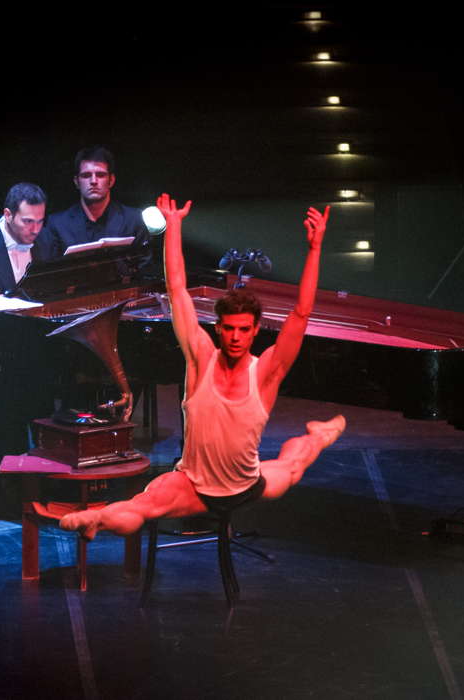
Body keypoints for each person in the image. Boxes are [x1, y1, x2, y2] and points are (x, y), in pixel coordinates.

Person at [60, 194, 346, 540]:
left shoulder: (266, 371)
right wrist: (175, 227)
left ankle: (320, 435)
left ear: (256, 331)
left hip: (245, 485)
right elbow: (177, 289)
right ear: (218, 328)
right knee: (141, 504)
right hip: (194, 487)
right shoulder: (201, 359)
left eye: (244, 329)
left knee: (294, 463)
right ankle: (99, 518)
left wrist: (315, 249)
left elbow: (301, 313)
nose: (236, 337)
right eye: (228, 328)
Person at [33, 145, 150, 262]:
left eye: (100, 175)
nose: (93, 181)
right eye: (86, 175)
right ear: (76, 182)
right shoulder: (57, 224)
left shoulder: (133, 219)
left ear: (111, 180)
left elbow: (144, 268)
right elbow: (51, 274)